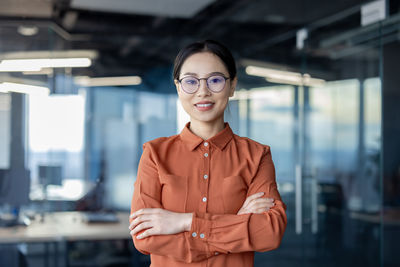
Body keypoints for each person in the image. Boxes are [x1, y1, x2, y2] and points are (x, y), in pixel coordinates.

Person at [128, 40, 287, 267]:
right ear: (178, 87)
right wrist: (237, 224)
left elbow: (269, 233)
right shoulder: (154, 154)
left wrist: (184, 222)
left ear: (232, 86)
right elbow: (145, 237)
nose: (203, 91)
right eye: (191, 81)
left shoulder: (257, 155)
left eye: (215, 80)